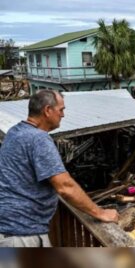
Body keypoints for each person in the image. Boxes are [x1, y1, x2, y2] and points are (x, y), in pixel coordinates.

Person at [0, 90, 119, 247]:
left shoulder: (15, 132)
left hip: (10, 226)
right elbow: (65, 187)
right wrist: (101, 213)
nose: (63, 115)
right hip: (21, 233)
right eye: (61, 109)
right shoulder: (38, 139)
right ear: (48, 110)